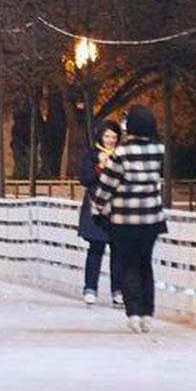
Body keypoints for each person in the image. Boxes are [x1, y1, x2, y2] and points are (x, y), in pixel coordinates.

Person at [91, 105, 165, 334]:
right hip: (152, 217)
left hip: (125, 218)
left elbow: (107, 184)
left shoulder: (122, 153)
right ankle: (147, 313)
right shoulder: (158, 150)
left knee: (128, 263)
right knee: (145, 263)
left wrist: (98, 207)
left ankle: (133, 311)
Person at [76, 120, 123, 307]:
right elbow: (85, 179)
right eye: (107, 136)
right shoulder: (91, 155)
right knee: (96, 248)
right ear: (100, 137)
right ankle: (90, 288)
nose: (110, 140)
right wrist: (100, 168)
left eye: (114, 137)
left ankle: (118, 290)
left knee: (119, 251)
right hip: (97, 207)